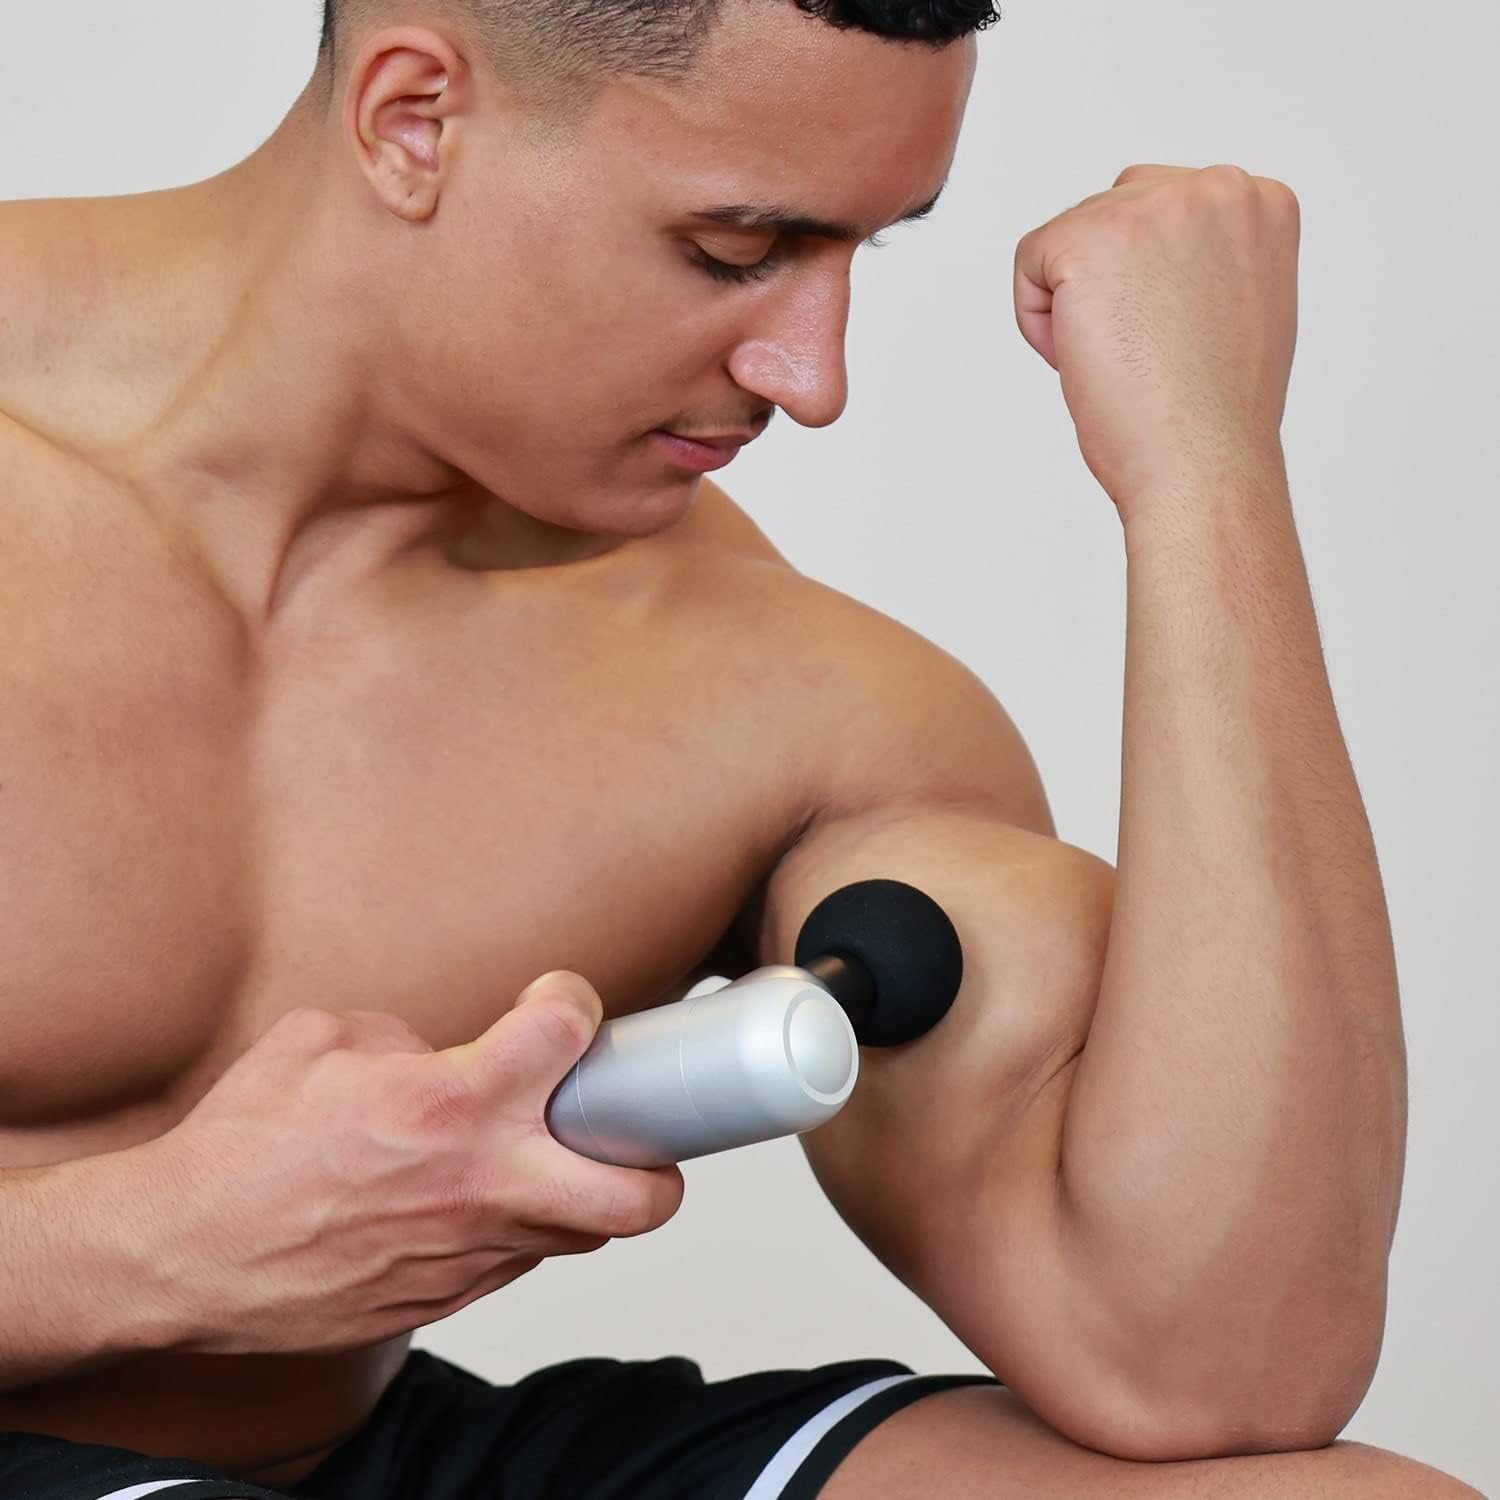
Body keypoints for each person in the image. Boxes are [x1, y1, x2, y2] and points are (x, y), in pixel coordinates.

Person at [0, 1, 1480, 1496]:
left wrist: (1206, 466)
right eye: (734, 249)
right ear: (415, 121)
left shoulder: (790, 700)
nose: (811, 378)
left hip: (342, 1456)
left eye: (860, 254)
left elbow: (1209, 1360)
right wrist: (156, 1243)